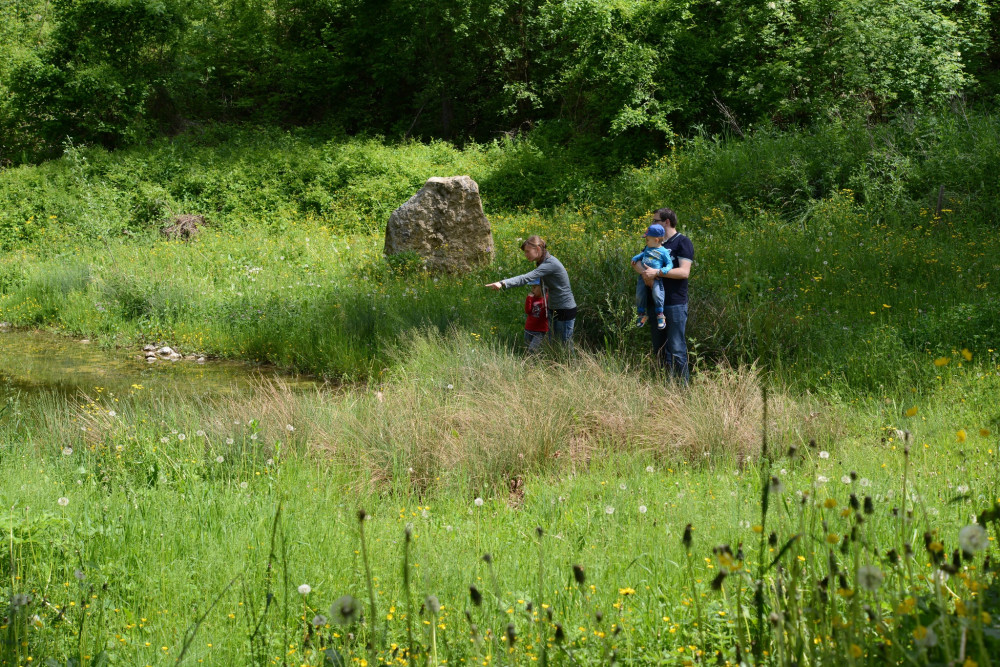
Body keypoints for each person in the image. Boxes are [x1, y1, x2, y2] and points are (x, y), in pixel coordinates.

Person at [632, 208, 693, 382]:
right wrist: (645, 274)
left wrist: (657, 273)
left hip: (674, 303)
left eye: (655, 220)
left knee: (676, 348)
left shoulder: (682, 242)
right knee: (659, 348)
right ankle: (664, 387)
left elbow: (684, 272)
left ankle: (682, 390)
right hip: (654, 302)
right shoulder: (655, 242)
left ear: (666, 222)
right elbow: (638, 262)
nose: (652, 224)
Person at [486, 235, 577, 346]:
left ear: (538, 249)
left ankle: (570, 364)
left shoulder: (550, 264)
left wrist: (502, 283)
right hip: (555, 307)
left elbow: (526, 278)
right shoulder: (543, 262)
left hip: (564, 308)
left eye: (528, 251)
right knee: (555, 345)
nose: (526, 255)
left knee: (565, 346)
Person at [631, 223, 673, 330]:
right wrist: (635, 258)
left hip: (656, 277)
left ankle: (660, 314)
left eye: (647, 240)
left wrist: (662, 271)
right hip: (643, 277)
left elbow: (669, 264)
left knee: (657, 294)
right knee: (639, 294)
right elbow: (641, 255)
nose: (646, 242)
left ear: (656, 240)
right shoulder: (648, 248)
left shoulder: (663, 251)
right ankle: (641, 314)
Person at [523, 279, 548, 351]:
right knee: (527, 348)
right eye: (532, 287)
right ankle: (529, 362)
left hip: (540, 330)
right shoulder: (531, 298)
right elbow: (527, 311)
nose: (532, 290)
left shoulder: (547, 299)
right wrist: (529, 299)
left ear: (542, 288)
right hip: (529, 329)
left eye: (534, 287)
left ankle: (534, 361)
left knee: (532, 349)